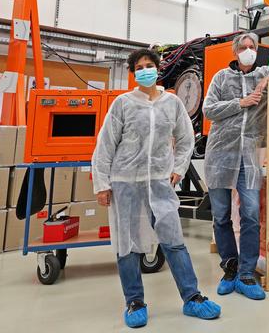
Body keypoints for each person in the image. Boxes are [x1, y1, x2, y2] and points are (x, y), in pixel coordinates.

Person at [92, 48, 221, 329]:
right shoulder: (123, 104)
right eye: (139, 67)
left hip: (160, 183)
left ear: (158, 68)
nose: (145, 70)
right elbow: (105, 145)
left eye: (150, 65)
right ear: (133, 73)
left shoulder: (171, 104)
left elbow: (186, 138)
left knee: (174, 240)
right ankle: (134, 301)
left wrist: (177, 168)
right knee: (127, 244)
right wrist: (102, 184)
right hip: (125, 182)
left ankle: (192, 298)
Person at [203, 32, 269, 300]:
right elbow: (208, 109)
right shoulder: (221, 78)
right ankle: (230, 268)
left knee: (250, 212)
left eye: (252, 46)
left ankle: (247, 273)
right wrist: (241, 103)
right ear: (235, 52)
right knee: (221, 215)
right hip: (219, 156)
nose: (248, 50)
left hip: (248, 157)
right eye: (243, 47)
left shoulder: (262, 73)